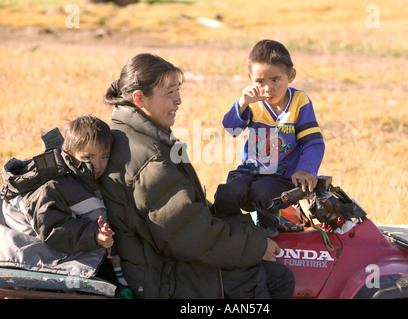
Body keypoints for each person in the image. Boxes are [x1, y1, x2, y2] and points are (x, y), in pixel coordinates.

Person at [100, 52, 295, 299]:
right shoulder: (148, 158)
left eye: (178, 90)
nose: (178, 100)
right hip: (161, 276)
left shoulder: (133, 134)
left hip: (159, 259)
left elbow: (184, 218)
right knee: (275, 279)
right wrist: (255, 244)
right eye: (169, 92)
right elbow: (188, 234)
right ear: (139, 98)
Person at [0, 115, 132, 298]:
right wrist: (93, 235)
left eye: (104, 156)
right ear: (69, 152)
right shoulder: (53, 185)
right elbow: (51, 227)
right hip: (26, 251)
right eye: (88, 157)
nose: (98, 164)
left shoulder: (84, 177)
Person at [213, 39, 325, 237]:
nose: (267, 88)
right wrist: (242, 104)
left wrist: (306, 170)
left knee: (262, 192)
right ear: (250, 79)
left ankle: (267, 228)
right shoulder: (252, 103)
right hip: (251, 171)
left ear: (291, 76)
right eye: (260, 81)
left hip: (281, 178)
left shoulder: (300, 102)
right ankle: (223, 228)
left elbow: (313, 142)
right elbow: (231, 129)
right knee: (229, 191)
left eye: (275, 79)